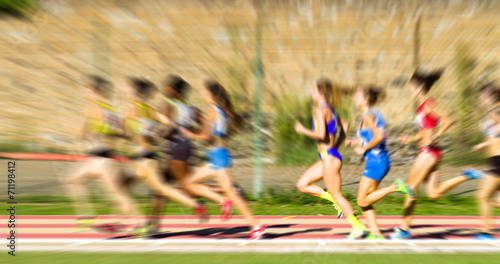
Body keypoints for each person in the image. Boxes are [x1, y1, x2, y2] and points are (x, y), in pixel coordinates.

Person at [390, 69, 481, 239]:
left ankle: (403, 228)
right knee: (433, 193)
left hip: (428, 152)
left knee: (410, 188)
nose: (409, 91)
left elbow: (449, 119)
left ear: (419, 87)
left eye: (411, 87)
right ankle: (465, 176)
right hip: (430, 152)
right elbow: (425, 130)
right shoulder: (421, 107)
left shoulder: (428, 104)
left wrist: (436, 135)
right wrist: (410, 139)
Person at [181, 79, 266, 240]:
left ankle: (256, 225)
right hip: (217, 156)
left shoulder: (211, 111)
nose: (202, 95)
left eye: (205, 93)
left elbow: (206, 137)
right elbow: (241, 120)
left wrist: (190, 134)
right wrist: (227, 134)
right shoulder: (223, 109)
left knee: (232, 194)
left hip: (218, 158)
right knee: (188, 183)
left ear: (211, 95)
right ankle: (223, 200)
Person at [124, 76, 206, 233]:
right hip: (187, 147)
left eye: (166, 87)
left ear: (173, 91)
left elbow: (169, 126)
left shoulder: (168, 105)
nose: (164, 90)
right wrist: (193, 134)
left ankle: (218, 195)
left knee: (184, 185)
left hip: (174, 148)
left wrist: (155, 135)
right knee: (160, 189)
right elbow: (203, 125)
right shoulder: (191, 108)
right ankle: (153, 225)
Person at [294, 78, 366, 239]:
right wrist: (337, 144)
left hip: (329, 158)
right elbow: (345, 125)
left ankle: (358, 226)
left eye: (313, 90)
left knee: (337, 194)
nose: (311, 93)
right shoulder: (330, 109)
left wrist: (302, 130)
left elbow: (322, 135)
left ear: (320, 92)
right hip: (328, 156)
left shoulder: (321, 111)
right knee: (302, 185)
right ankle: (333, 201)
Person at [66, 75, 138, 232]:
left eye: (86, 89)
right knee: (73, 180)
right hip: (104, 157)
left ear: (94, 90)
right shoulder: (111, 110)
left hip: (100, 158)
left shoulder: (92, 107)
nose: (84, 91)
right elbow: (123, 133)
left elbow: (83, 132)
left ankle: (139, 224)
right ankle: (86, 217)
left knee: (118, 195)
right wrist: (105, 132)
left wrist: (72, 128)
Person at [346, 85, 414, 240]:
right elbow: (373, 139)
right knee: (366, 200)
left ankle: (396, 186)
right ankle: (376, 233)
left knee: (361, 200)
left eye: (357, 95)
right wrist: (356, 142)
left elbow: (378, 137)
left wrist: (363, 150)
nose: (354, 98)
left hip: (375, 162)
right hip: (380, 160)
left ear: (366, 99)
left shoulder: (368, 116)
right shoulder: (375, 114)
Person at [467, 83, 500, 240]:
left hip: (498, 162)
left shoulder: (496, 113)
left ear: (492, 97)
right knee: (495, 200)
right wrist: (483, 144)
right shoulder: (490, 114)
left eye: (484, 96)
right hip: (493, 160)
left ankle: (486, 232)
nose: (481, 99)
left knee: (482, 196)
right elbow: (493, 137)